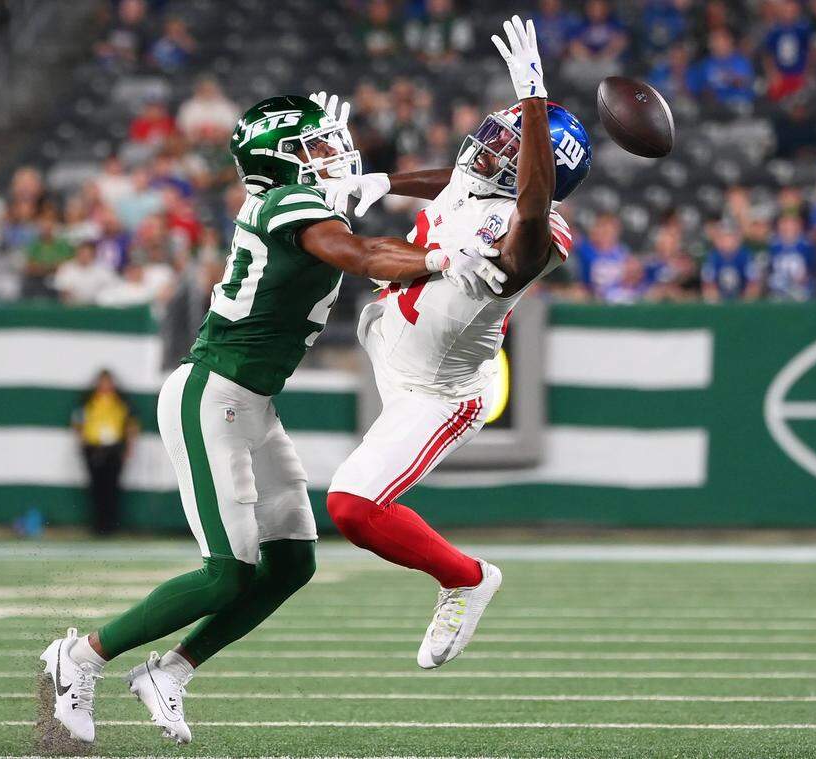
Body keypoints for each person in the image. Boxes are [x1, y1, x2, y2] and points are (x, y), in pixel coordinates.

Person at [40, 91, 503, 745]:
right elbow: (364, 255)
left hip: (252, 401)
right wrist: (439, 260)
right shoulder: (289, 203)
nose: (331, 153)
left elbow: (423, 191)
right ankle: (80, 655)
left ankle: (170, 671)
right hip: (213, 394)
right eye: (312, 147)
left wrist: (378, 173)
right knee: (224, 572)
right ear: (276, 164)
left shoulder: (305, 197)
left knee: (290, 564)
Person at [321, 15, 588, 669]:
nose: (488, 147)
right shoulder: (480, 182)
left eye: (511, 142)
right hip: (394, 337)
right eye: (499, 135)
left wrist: (533, 99)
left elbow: (524, 221)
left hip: (438, 389)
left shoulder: (539, 230)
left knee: (352, 505)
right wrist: (384, 181)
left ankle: (466, 577)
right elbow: (458, 180)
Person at [73, 370, 139, 536]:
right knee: (96, 488)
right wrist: (82, 443)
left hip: (113, 449)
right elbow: (78, 423)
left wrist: (129, 448)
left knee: (112, 488)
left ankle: (111, 526)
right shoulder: (89, 402)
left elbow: (131, 426)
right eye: (102, 382)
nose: (105, 386)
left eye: (108, 382)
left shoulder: (120, 403)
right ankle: (97, 525)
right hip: (94, 449)